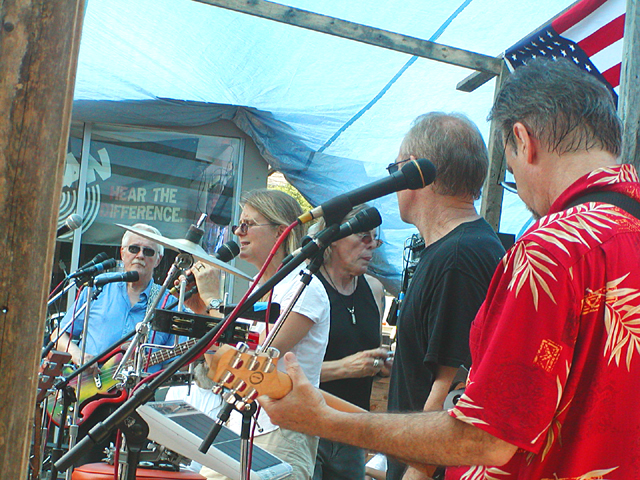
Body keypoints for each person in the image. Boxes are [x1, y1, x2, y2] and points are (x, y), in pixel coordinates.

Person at [258, 58, 640, 479]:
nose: (525, 195)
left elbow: (487, 436)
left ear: (523, 140)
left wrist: (323, 420)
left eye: (510, 174)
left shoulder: (553, 247)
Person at [388, 112, 505, 480]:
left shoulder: (459, 258)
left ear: (416, 171)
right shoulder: (458, 249)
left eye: (395, 168)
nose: (392, 180)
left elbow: (450, 393)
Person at [184, 188, 331, 480]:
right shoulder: (255, 287)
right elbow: (221, 364)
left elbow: (253, 360)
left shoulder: (305, 287)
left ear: (280, 231)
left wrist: (213, 301)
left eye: (248, 224)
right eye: (239, 224)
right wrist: (201, 310)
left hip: (281, 430)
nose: (238, 232)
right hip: (237, 424)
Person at [53, 223, 177, 464]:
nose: (140, 255)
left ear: (159, 259)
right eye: (134, 248)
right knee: (82, 470)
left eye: (148, 251)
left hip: (139, 407)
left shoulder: (168, 303)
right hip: (89, 398)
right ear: (122, 252)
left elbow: (178, 363)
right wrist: (79, 356)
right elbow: (59, 335)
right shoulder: (99, 289)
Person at [309, 204, 390, 480]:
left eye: (374, 238)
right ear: (332, 239)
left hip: (352, 431)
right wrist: (345, 367)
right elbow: (281, 370)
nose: (371, 246)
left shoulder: (374, 289)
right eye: (362, 236)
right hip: (310, 428)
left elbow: (367, 362)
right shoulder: (309, 288)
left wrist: (383, 364)